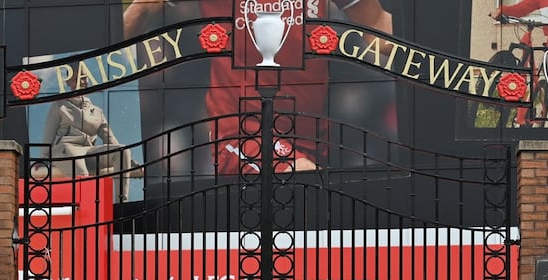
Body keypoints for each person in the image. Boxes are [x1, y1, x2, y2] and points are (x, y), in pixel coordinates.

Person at [122, 0, 392, 174]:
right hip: (242, 132)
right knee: (304, 183)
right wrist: (96, 66)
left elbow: (378, 29)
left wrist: (429, 60)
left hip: (311, 132)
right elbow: (144, 8)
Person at [41, 73, 132, 180]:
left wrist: (130, 162)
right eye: (77, 78)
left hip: (88, 151)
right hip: (66, 150)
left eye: (84, 77)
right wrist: (43, 159)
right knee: (82, 174)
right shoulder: (60, 105)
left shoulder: (97, 112)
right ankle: (85, 194)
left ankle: (121, 197)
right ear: (68, 82)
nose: (82, 81)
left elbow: (110, 139)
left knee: (122, 152)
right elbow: (49, 133)